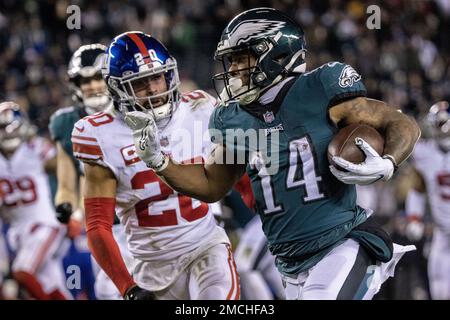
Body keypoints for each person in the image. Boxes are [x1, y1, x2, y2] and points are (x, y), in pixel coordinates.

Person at [124, 8, 421, 300]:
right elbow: (211, 184)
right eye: (232, 60)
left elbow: (397, 121)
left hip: (342, 242)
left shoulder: (319, 88)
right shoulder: (232, 117)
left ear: (276, 53)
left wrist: (388, 161)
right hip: (289, 264)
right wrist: (159, 161)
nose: (234, 68)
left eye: (242, 57)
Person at [71, 31, 239, 300]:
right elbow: (97, 225)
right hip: (149, 267)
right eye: (140, 83)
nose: (153, 90)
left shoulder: (199, 108)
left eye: (157, 77)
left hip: (205, 247)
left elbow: (232, 174)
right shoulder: (99, 134)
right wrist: (128, 288)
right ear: (117, 88)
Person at [49, 43, 134, 300]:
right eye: (84, 80)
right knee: (108, 292)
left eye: (98, 77)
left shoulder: (133, 112)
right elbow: (66, 184)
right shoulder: (65, 123)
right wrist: (64, 206)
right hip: (103, 227)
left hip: (141, 217)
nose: (92, 86)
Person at [0, 101, 71, 300]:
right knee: (51, 286)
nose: (6, 133)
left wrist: (73, 208)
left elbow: (66, 170)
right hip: (18, 232)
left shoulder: (35, 148)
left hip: (44, 225)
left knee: (22, 273)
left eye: (9, 127)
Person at [405, 100, 450, 300]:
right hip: (442, 231)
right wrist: (414, 217)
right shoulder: (425, 153)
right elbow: (417, 189)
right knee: (438, 281)